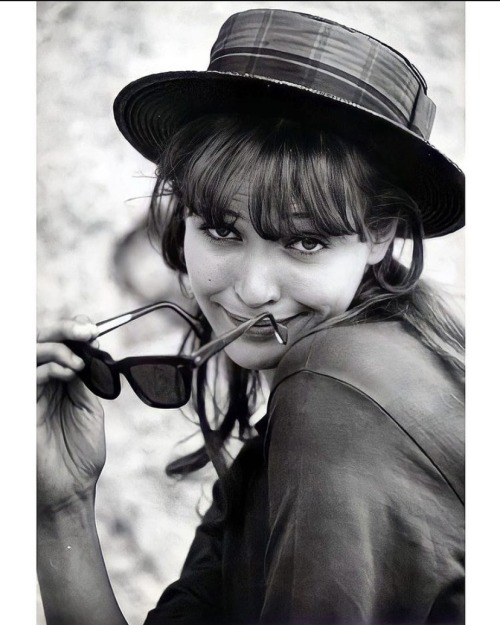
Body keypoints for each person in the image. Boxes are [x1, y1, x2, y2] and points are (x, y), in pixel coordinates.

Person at [36, 7, 465, 625]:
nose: (254, 288)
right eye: (221, 230)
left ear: (380, 235)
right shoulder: (301, 413)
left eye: (306, 241)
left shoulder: (339, 389)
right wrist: (60, 508)